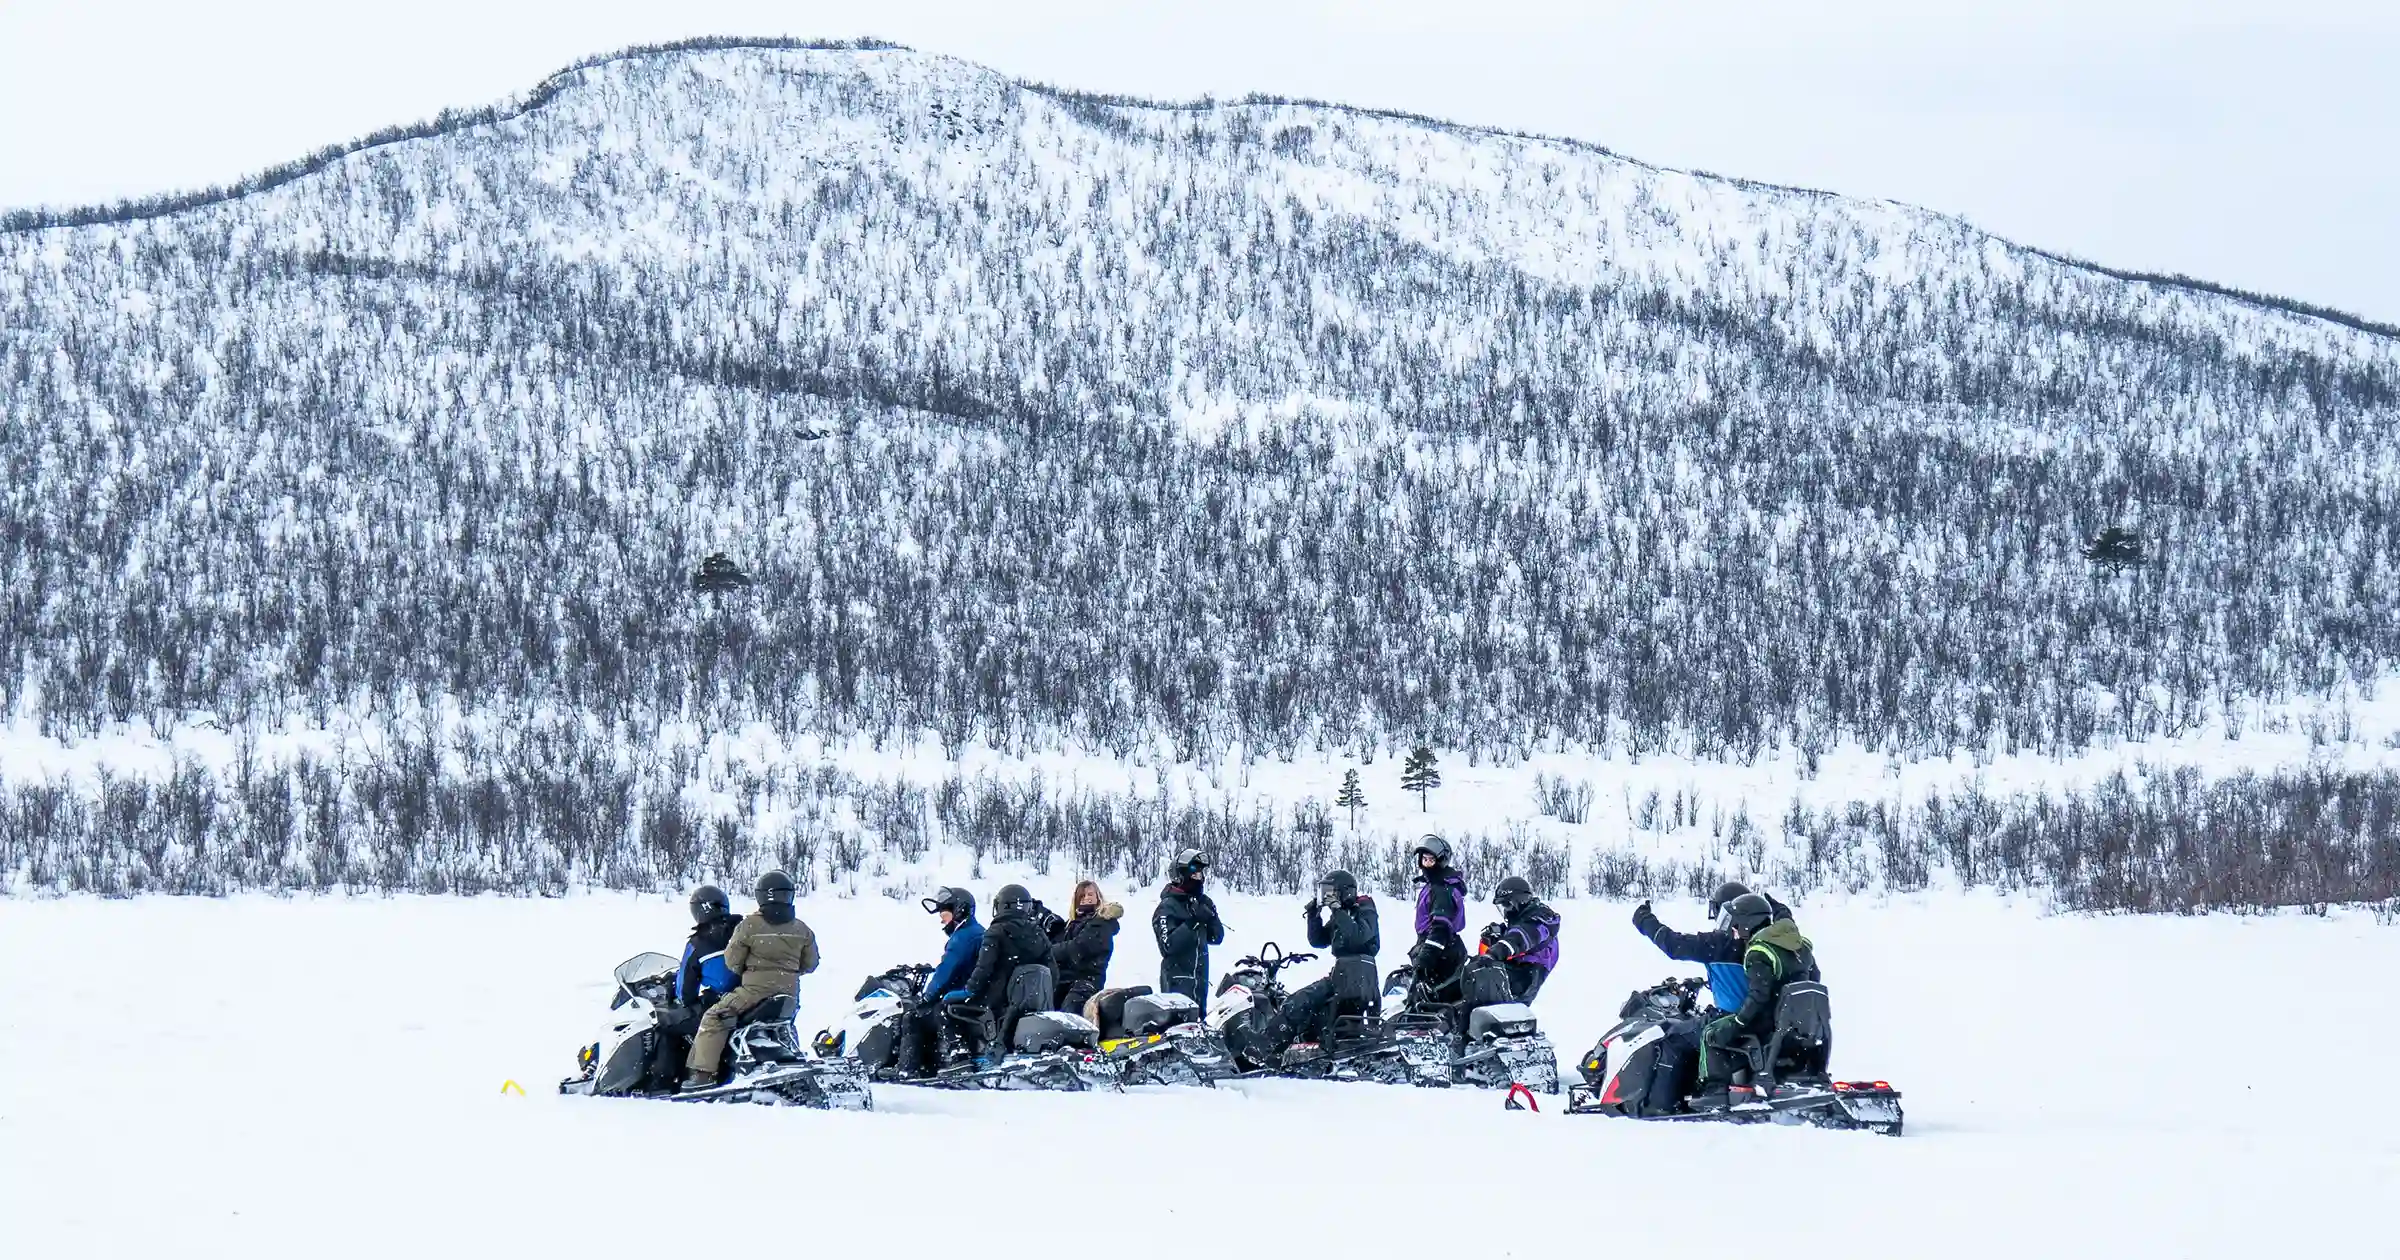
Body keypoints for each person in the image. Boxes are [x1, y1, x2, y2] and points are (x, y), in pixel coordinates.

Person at [681, 871, 819, 1090]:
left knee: (713, 1018)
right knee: (783, 1024)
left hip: (754, 991)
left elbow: (732, 960)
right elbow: (810, 964)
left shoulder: (749, 926)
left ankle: (702, 1075)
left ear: (761, 896)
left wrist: (751, 971)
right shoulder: (802, 929)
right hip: (789, 993)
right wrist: (788, 971)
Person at [1697, 893, 1820, 1102]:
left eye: (1736, 925)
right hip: (1800, 1024)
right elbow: (1814, 979)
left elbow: (1758, 995)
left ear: (1747, 924)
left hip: (1769, 1022)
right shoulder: (1799, 946)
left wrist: (1737, 1023)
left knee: (1712, 1031)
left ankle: (1714, 1091)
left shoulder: (1758, 951)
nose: (1734, 931)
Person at [1630, 880, 1794, 1017]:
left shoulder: (1719, 944)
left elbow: (1674, 945)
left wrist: (1644, 920)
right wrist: (1781, 911)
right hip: (1766, 1021)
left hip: (1732, 1021)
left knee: (1672, 1033)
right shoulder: (1772, 944)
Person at [1275, 869, 1380, 1052]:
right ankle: (1288, 1043)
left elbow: (1358, 936)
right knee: (1309, 1006)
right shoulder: (1343, 913)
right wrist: (1313, 914)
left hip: (1358, 974)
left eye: (1331, 891)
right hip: (1344, 974)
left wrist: (1337, 910)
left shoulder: (1364, 908)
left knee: (1301, 1000)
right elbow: (1318, 940)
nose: (1328, 896)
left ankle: (1268, 1044)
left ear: (1344, 891)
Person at [896, 886, 984, 1077]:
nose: (941, 918)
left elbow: (946, 970)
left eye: (944, 912)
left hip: (964, 994)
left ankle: (910, 1070)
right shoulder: (976, 932)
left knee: (913, 1017)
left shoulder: (964, 936)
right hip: (974, 992)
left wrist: (927, 996)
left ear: (959, 910)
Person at [1153, 849, 1225, 1004]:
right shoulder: (1167, 907)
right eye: (1194, 875)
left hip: (1200, 981)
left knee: (1200, 1025)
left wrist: (1211, 917)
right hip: (1176, 983)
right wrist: (1193, 921)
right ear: (1181, 876)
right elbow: (1167, 945)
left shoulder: (1201, 902)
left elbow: (1216, 937)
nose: (1199, 879)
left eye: (1200, 874)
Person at [1478, 875, 1561, 1003]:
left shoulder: (1540, 919)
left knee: (1486, 997)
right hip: (1516, 967)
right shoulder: (1525, 917)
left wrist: (1495, 952)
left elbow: (1521, 937)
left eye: (1507, 905)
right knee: (1473, 975)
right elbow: (1516, 931)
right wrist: (1498, 933)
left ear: (1520, 901)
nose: (1506, 911)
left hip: (1527, 973)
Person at [1407, 836, 1469, 1002]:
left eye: (1431, 860)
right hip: (1441, 949)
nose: (1427, 864)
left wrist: (1425, 958)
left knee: (1429, 1005)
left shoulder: (1442, 889)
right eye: (1424, 859)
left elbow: (1440, 928)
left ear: (1440, 861)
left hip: (1441, 952)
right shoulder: (1436, 885)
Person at [1049, 879, 1122, 1012]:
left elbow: (1079, 948)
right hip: (1063, 983)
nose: (1086, 898)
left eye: (1090, 894)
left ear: (1098, 897)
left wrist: (1050, 951)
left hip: (1087, 982)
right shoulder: (1070, 925)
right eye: (1082, 896)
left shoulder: (1100, 923)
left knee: (1070, 1013)